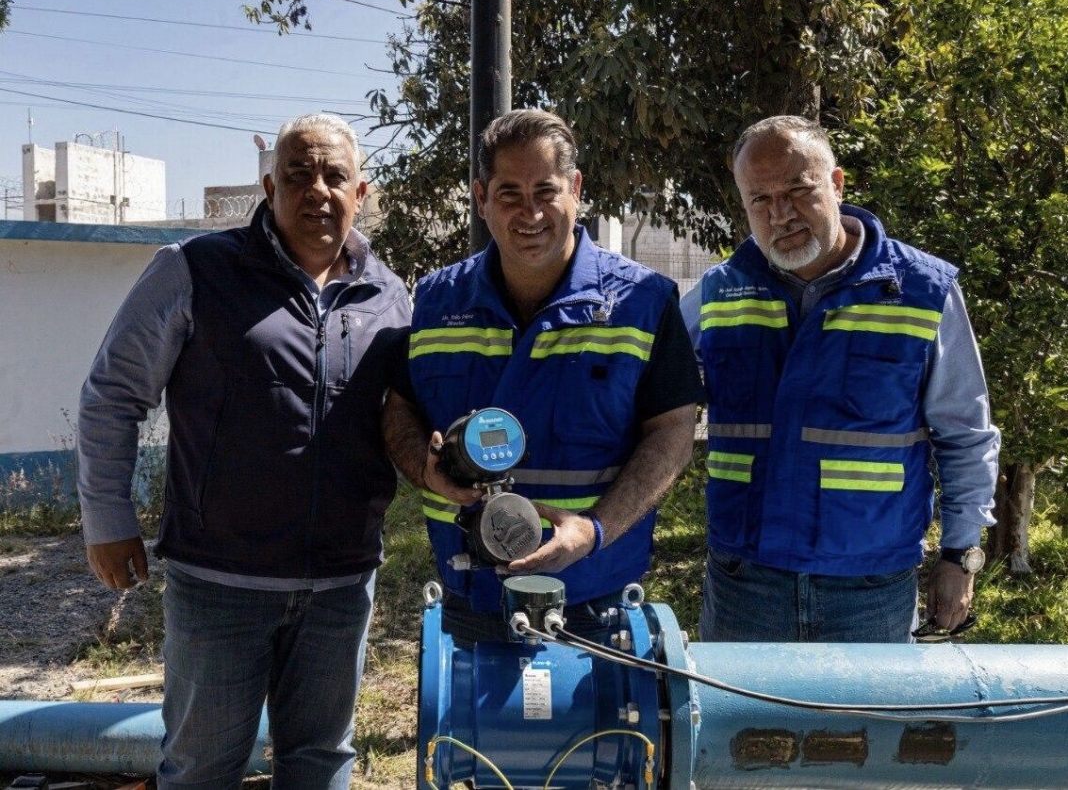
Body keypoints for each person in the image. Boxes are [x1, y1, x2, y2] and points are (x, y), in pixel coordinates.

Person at [77, 113, 412, 789]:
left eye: (335, 175)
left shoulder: (390, 297)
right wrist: (107, 519)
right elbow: (112, 393)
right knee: (201, 768)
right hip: (220, 584)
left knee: (321, 762)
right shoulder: (196, 270)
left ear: (362, 191)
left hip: (342, 585)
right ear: (269, 186)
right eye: (298, 173)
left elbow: (402, 419)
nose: (317, 188)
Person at [383, 108, 703, 644]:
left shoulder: (643, 302)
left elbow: (672, 433)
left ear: (575, 190)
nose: (528, 212)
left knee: (606, 729)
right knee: (473, 731)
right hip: (471, 592)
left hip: (595, 596)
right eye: (509, 193)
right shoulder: (437, 300)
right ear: (481, 198)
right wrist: (424, 468)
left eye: (545, 190)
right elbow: (400, 410)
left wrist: (594, 530)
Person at [682, 115, 1000, 643]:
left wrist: (960, 555)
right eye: (759, 199)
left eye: (797, 189)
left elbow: (965, 434)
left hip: (870, 590)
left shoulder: (922, 291)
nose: (780, 214)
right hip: (745, 584)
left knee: (861, 729)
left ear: (836, 184)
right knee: (742, 726)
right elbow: (650, 393)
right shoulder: (720, 291)